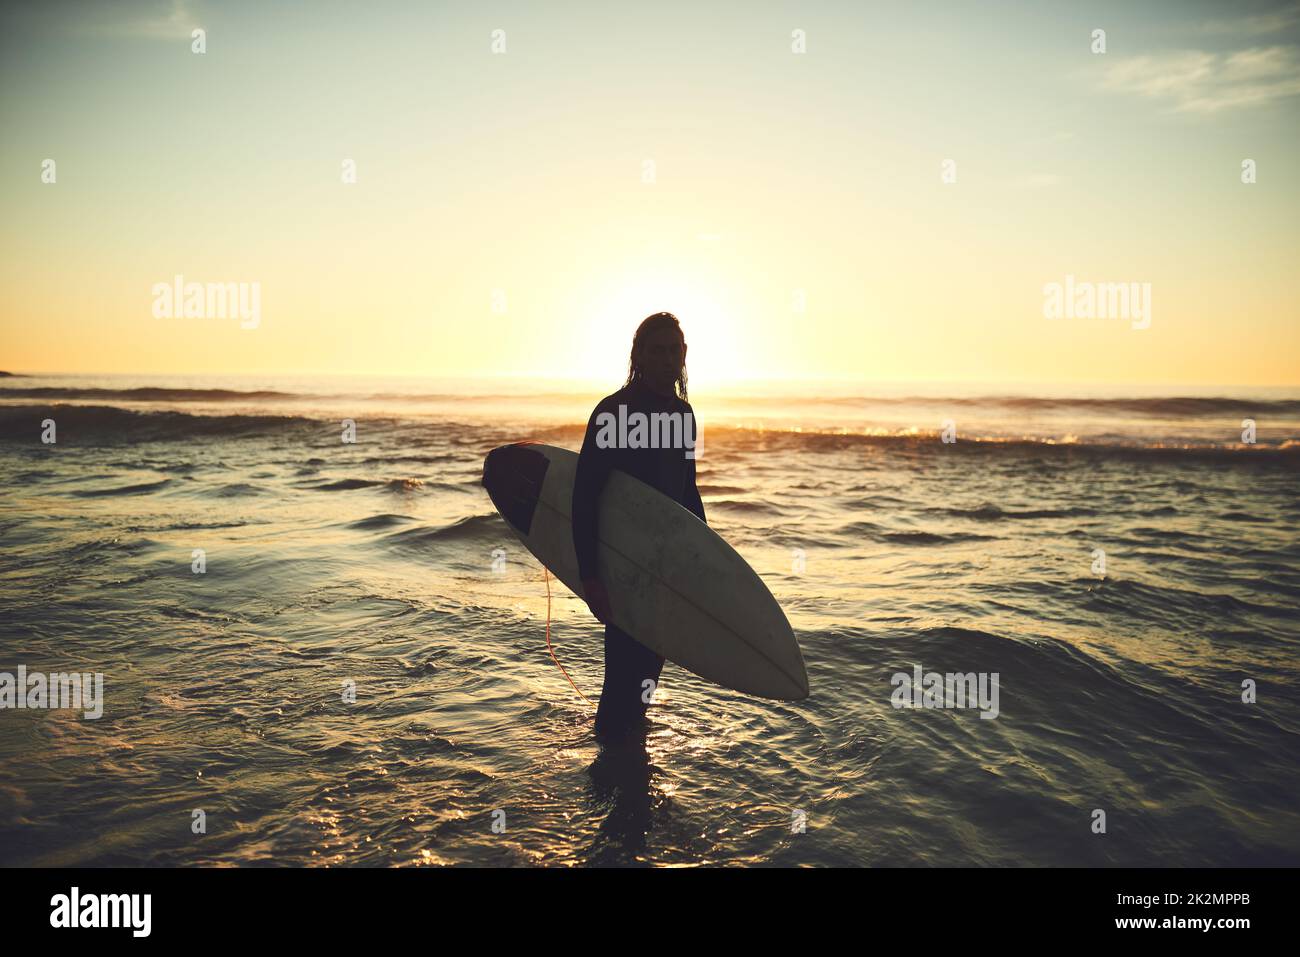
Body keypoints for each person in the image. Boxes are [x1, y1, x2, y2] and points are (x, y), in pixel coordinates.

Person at [572, 312, 706, 742]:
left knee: (648, 679)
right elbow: (584, 498)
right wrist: (591, 577)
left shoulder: (683, 416)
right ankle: (611, 772)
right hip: (623, 567)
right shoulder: (614, 414)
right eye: (658, 351)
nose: (668, 359)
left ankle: (627, 766)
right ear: (640, 356)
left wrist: (705, 561)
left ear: (684, 354)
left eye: (675, 350)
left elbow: (688, 493)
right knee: (621, 681)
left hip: (665, 568)